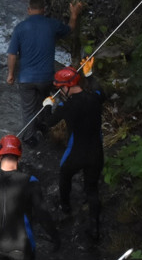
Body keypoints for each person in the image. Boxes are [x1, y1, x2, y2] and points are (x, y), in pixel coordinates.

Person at [6, 0, 85, 145]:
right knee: (46, 102)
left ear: (29, 10)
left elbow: (12, 54)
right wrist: (74, 14)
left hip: (26, 79)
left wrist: (10, 74)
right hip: (46, 78)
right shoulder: (51, 24)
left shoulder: (20, 28)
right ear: (43, 10)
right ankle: (44, 128)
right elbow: (70, 29)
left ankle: (29, 138)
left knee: (28, 110)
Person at [44, 63, 106, 239]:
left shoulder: (67, 107)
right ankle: (95, 227)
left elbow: (49, 122)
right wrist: (90, 75)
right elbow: (101, 92)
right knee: (92, 189)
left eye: (59, 88)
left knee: (64, 175)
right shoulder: (95, 98)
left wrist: (48, 105)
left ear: (66, 86)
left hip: (76, 153)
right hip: (96, 152)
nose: (59, 91)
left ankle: (65, 208)